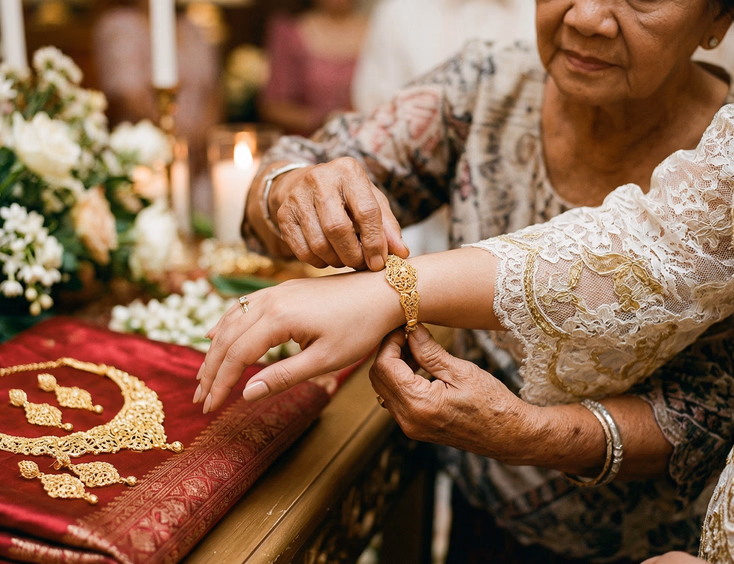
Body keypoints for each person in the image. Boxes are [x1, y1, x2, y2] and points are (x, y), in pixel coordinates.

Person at [195, 1, 734, 561]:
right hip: (476, 520)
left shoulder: (724, 162)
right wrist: (294, 190)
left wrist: (528, 434)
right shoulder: (486, 85)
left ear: (717, 19)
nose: (588, 17)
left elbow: (709, 412)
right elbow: (301, 161)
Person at [351, 0, 536, 257]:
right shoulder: (400, 11)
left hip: (528, 229)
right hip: (419, 227)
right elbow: (373, 109)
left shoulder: (545, 10)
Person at [258, 0, 368, 137]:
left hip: (365, 143)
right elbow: (272, 106)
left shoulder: (378, 30)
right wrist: (323, 120)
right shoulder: (290, 31)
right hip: (307, 143)